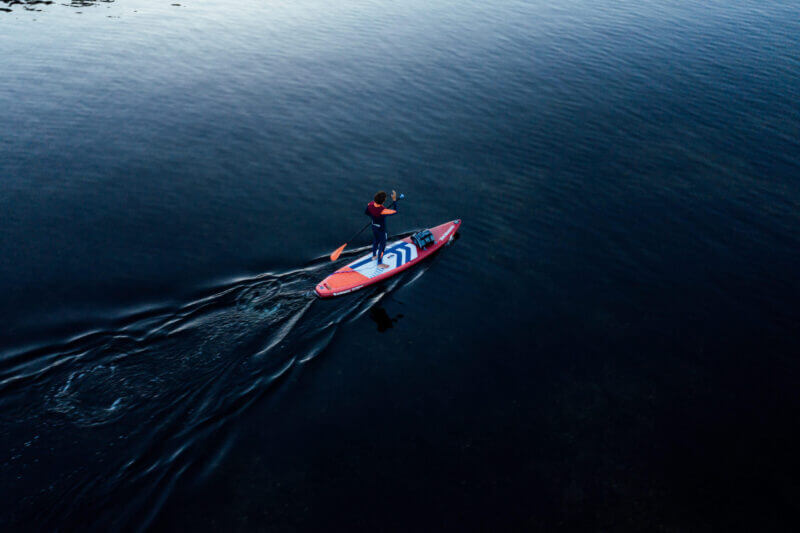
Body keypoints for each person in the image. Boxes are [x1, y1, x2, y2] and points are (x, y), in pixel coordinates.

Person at [365, 189, 398, 268]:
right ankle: (379, 263)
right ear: (383, 201)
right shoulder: (383, 211)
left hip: (373, 226)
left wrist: (373, 217)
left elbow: (366, 213)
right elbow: (395, 211)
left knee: (376, 241)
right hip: (381, 230)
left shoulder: (370, 204)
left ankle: (374, 256)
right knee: (382, 246)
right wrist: (394, 200)